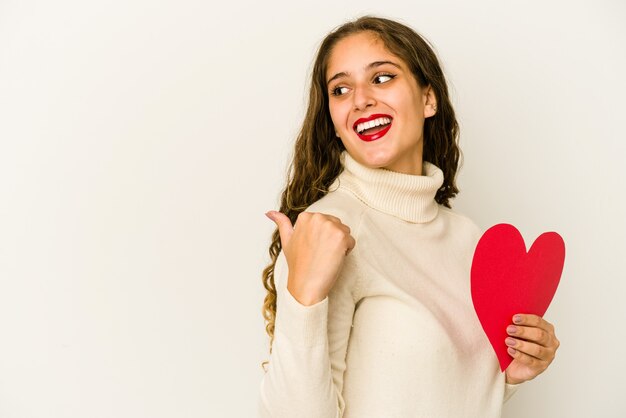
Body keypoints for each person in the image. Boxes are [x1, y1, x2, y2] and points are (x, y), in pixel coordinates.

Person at [258, 15, 560, 418]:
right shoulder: (326, 231)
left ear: (428, 99)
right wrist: (302, 298)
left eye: (382, 78)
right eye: (341, 89)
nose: (360, 99)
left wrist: (505, 377)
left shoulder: (468, 239)